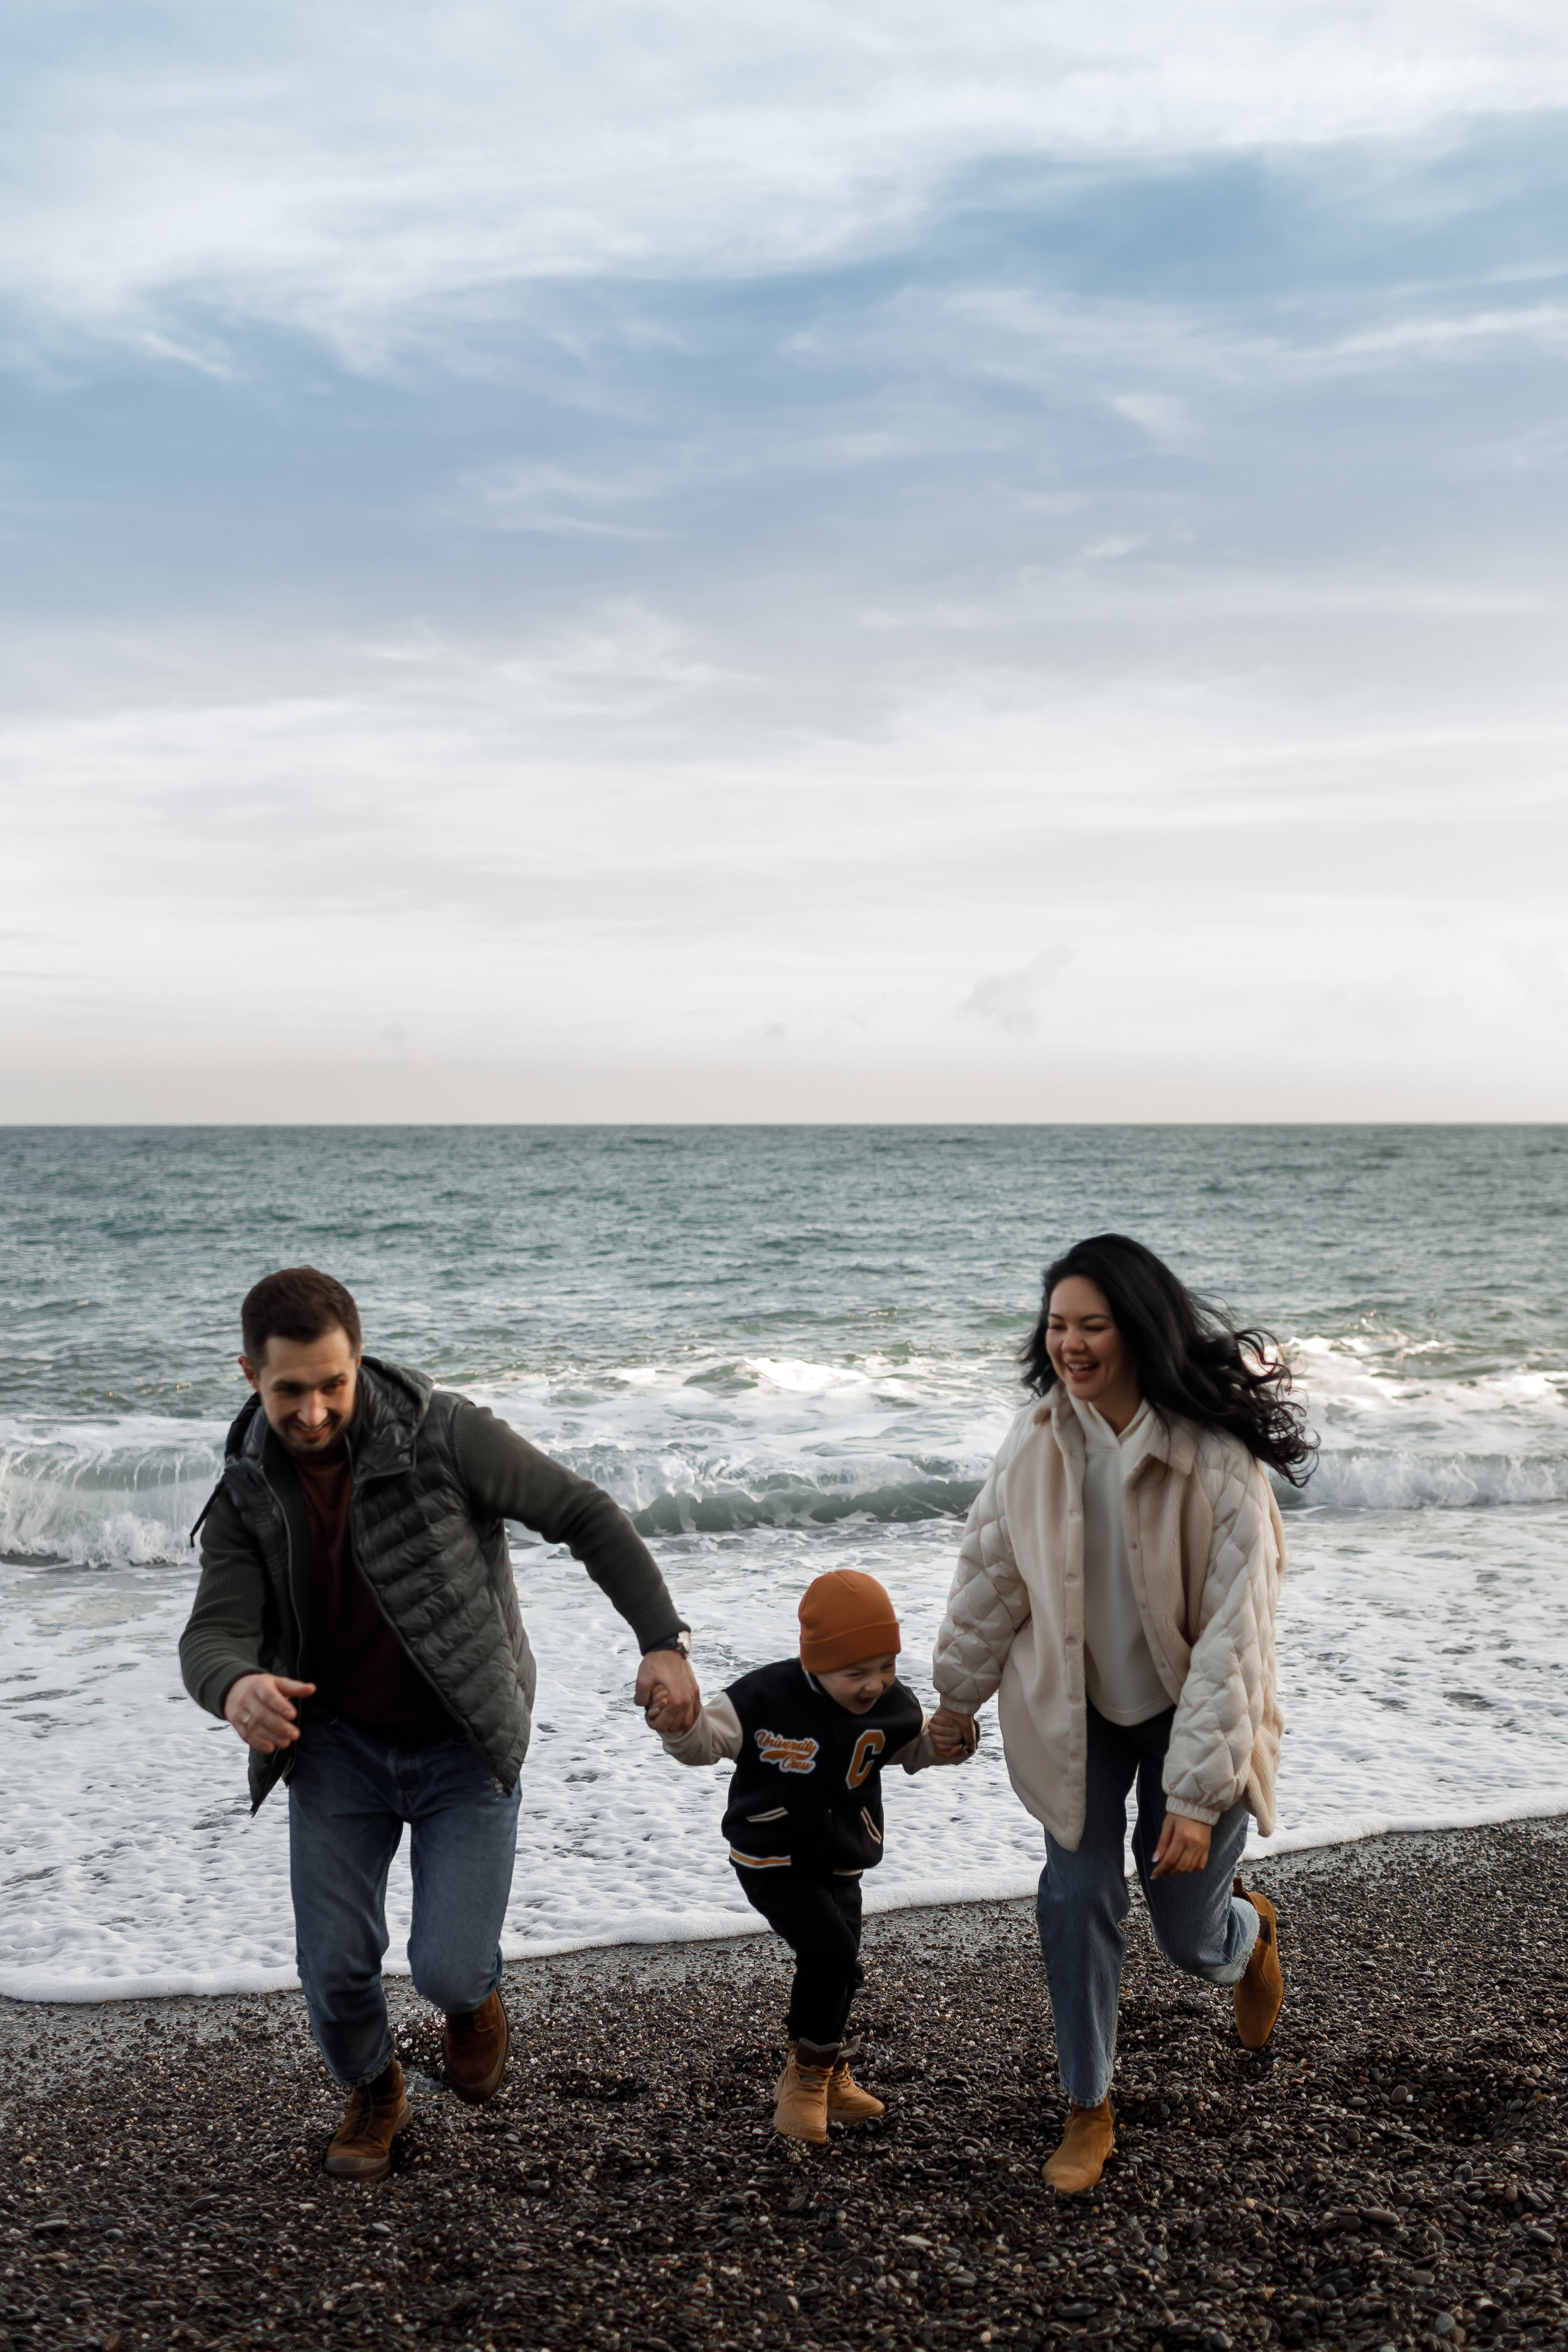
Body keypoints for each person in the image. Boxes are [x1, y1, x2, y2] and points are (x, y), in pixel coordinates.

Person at [179, 1266, 699, 2182]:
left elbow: (581, 1512)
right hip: (336, 1749)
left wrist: (662, 1640)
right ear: (249, 1375)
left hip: (465, 1740)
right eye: (288, 1389)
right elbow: (214, 1630)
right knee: (336, 1969)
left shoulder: (443, 1433)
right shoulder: (247, 1494)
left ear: (359, 1357)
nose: (311, 1412)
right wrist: (233, 1688)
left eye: (332, 1383)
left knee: (450, 1968)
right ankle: (376, 2090)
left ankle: (476, 2003)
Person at [927, 1235, 1313, 2195]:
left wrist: (1192, 1795)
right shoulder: (1037, 1439)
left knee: (1187, 1935)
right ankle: (1087, 2106)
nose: (1070, 1345)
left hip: (1194, 1715)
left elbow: (1237, 1643)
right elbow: (994, 1571)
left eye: (1091, 1326)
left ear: (1137, 1330)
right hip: (1081, 1709)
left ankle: (1249, 1937)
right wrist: (956, 1697)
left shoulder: (1216, 1463)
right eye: (1057, 1326)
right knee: (1074, 1892)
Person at [653, 1569, 971, 2144]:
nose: (875, 1684)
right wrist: (678, 1729)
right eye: (857, 1672)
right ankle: (805, 2078)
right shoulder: (764, 1699)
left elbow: (919, 1744)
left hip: (844, 1857)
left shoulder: (890, 1703)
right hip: (771, 1858)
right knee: (830, 1952)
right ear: (815, 1661)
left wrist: (952, 1743)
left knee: (843, 1968)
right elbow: (705, 1742)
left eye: (887, 1666)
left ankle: (829, 2070)